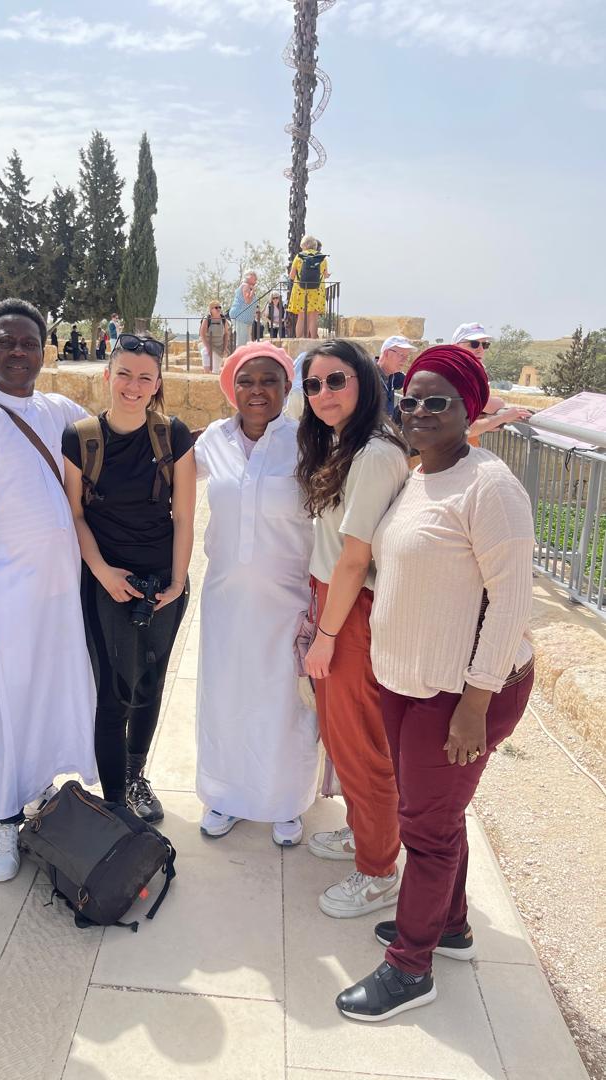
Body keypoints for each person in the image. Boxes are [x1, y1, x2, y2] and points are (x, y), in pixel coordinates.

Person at [336, 344, 535, 1021]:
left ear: (469, 410)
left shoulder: (490, 487)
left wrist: (475, 703)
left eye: (437, 401)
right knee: (435, 815)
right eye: (410, 399)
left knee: (427, 829)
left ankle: (410, 967)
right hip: (408, 681)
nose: (418, 411)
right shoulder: (421, 476)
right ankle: (449, 925)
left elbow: (511, 601)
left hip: (459, 692)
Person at [0, 298, 97, 884]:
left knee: (55, 697)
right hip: (4, 601)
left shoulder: (60, 409)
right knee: (8, 706)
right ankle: (3, 820)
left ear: (43, 351)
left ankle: (44, 799)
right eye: (4, 342)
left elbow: (114, 440)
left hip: (61, 597)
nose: (16, 352)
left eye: (27, 343)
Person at [296, 340, 409, 920]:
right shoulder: (350, 444)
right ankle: (367, 836)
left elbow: (354, 559)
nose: (322, 395)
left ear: (365, 379)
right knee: (344, 736)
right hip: (336, 603)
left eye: (335, 380)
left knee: (358, 743)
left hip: (351, 610)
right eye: (312, 385)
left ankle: (378, 870)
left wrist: (327, 636)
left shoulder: (372, 454)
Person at [63, 332, 196, 821]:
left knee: (150, 684)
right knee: (112, 691)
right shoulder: (81, 438)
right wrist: (101, 572)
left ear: (157, 382)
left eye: (145, 377)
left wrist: (177, 583)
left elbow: (184, 515)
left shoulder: (172, 435)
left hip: (163, 580)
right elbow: (74, 514)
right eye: (124, 374)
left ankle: (137, 777)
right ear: (107, 375)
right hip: (104, 581)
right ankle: (115, 803)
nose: (133, 386)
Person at [194, 342, 319, 845]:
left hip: (288, 600)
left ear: (288, 388)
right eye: (246, 381)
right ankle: (224, 795)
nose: (257, 390)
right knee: (225, 695)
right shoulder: (212, 441)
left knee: (284, 702)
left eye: (270, 380)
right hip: (225, 598)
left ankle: (285, 802)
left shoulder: (310, 441)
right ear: (231, 389)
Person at [451, 323, 531, 437]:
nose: (480, 349)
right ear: (456, 346)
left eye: (485, 345)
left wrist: (486, 421)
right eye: (474, 344)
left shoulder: (474, 369)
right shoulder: (458, 371)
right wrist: (501, 416)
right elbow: (486, 406)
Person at [287, 235, 329, 339]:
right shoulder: (322, 258)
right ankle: (313, 339)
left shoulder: (299, 256)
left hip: (301, 289)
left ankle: (298, 339)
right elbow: (325, 274)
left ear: (305, 245)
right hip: (317, 290)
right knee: (313, 316)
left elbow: (291, 276)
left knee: (301, 316)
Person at [376, 335, 416, 418]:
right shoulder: (367, 376)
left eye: (406, 357)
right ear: (387, 353)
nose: (404, 360)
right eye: (401, 355)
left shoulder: (395, 376)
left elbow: (415, 381)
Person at [199, 301, 229, 374]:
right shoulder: (207, 319)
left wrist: (225, 347)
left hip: (218, 347)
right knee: (207, 370)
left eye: (219, 307)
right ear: (211, 309)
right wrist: (208, 348)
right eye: (216, 307)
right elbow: (202, 334)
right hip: (207, 345)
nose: (218, 309)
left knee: (215, 371)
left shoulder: (223, 319)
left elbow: (226, 334)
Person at [230, 271, 258, 348]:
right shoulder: (245, 286)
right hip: (241, 317)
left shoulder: (249, 287)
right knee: (242, 342)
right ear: (248, 277)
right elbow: (248, 300)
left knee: (247, 342)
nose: (256, 278)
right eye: (253, 276)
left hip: (246, 319)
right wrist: (253, 291)